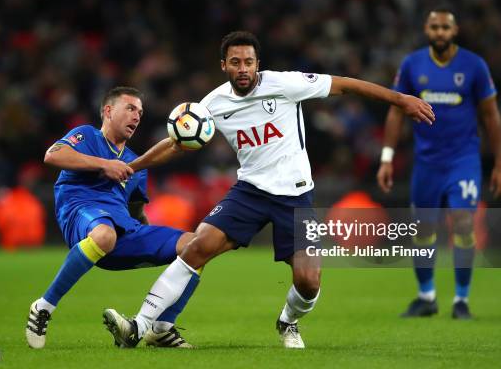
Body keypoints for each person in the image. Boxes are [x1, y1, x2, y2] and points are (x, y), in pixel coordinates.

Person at [102, 31, 435, 349]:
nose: (243, 68)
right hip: (250, 191)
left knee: (308, 281)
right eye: (235, 62)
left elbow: (345, 85)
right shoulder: (213, 104)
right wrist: (134, 166)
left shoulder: (285, 84)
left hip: (296, 194)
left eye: (248, 62)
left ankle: (288, 321)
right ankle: (140, 325)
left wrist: (401, 100)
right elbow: (178, 144)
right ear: (224, 66)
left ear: (257, 63)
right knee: (197, 247)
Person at [25, 87, 199, 349]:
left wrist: (150, 242)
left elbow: (136, 211)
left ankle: (162, 328)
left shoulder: (134, 164)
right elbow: (53, 155)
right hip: (80, 212)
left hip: (122, 230)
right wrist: (104, 164)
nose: (137, 117)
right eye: (130, 108)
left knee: (198, 246)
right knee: (105, 235)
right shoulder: (87, 136)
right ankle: (43, 307)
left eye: (140, 112)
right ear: (108, 111)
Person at [376, 9, 501, 319]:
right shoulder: (412, 64)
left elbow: (491, 115)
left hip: (463, 160)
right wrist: (386, 158)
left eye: (445, 27)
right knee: (423, 230)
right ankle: (427, 297)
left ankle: (461, 300)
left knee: (462, 223)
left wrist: (500, 164)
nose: (439, 32)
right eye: (434, 27)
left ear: (455, 30)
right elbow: (396, 111)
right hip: (426, 163)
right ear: (426, 29)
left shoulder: (474, 66)